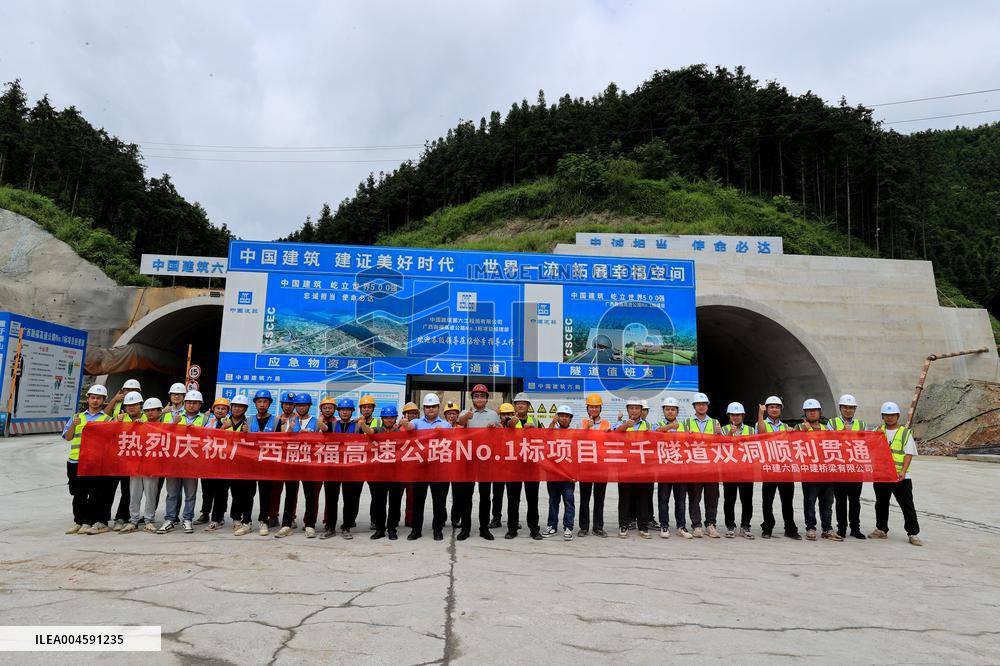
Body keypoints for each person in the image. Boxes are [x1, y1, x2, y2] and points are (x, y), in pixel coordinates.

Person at [62, 384, 113, 535]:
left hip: (95, 462)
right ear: (88, 399)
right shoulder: (77, 417)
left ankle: (89, 521)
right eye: (93, 398)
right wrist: (73, 426)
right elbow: (68, 437)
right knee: (78, 493)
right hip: (75, 461)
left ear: (104, 400)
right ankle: (79, 521)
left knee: (95, 493)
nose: (95, 401)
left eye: (99, 398)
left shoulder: (108, 419)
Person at [870, 402, 922, 546]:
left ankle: (913, 533)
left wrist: (903, 471)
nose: (889, 418)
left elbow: (908, 453)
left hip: (900, 476)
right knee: (881, 504)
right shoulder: (878, 431)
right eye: (886, 415)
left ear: (898, 416)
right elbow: (870, 449)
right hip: (882, 476)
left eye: (892, 415)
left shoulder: (905, 433)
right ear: (882, 417)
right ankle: (881, 529)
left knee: (907, 505)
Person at [453, 384, 500, 540]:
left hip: (486, 461)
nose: (479, 399)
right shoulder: (466, 413)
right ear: (472, 398)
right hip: (469, 461)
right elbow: (459, 422)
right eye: (476, 396)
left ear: (486, 399)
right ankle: (465, 528)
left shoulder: (493, 414)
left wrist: (495, 428)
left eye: (482, 396)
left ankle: (484, 528)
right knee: (466, 496)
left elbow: (502, 435)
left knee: (485, 496)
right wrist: (465, 418)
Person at [402, 393, 451, 541]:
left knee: (439, 502)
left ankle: (437, 529)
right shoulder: (417, 422)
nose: (431, 409)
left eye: (433, 407)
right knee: (418, 501)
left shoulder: (445, 425)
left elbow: (451, 442)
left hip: (438, 469)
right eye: (428, 407)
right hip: (420, 468)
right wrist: (405, 423)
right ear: (424, 408)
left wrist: (442, 433)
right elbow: (410, 427)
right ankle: (416, 530)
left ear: (438, 408)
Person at [158, 390, 206, 534]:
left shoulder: (205, 419)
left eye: (195, 403)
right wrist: (174, 423)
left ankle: (187, 519)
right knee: (172, 492)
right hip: (173, 461)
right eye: (189, 402)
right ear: (185, 404)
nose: (191, 405)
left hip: (192, 462)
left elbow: (210, 437)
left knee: (190, 493)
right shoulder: (174, 417)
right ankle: (170, 519)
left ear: (200, 405)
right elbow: (162, 434)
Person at [678, 392, 722, 538]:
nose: (701, 406)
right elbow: (681, 444)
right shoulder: (687, 423)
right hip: (694, 467)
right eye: (699, 404)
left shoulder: (715, 423)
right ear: (694, 406)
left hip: (711, 467)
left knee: (712, 498)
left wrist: (719, 435)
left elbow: (722, 445)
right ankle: (696, 525)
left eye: (704, 404)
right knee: (694, 497)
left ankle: (710, 524)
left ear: (707, 406)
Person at [798, 399, 842, 541]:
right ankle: (810, 528)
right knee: (810, 502)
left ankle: (827, 528)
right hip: (810, 472)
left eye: (815, 410)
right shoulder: (799, 428)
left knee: (827, 503)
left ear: (820, 412)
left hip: (827, 471)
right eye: (809, 411)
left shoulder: (826, 428)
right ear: (805, 413)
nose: (812, 412)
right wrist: (803, 432)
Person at [757, 396, 801, 540]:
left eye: (777, 407)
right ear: (767, 409)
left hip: (785, 468)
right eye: (771, 407)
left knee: (787, 501)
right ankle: (767, 527)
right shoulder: (762, 423)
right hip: (769, 467)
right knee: (767, 501)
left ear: (781, 409)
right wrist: (760, 414)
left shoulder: (785, 427)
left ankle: (790, 528)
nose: (774, 409)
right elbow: (762, 433)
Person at [276, 393, 319, 539]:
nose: (301, 407)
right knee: (290, 494)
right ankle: (286, 524)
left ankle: (310, 525)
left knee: (310, 496)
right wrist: (289, 430)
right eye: (299, 405)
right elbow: (282, 439)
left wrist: (311, 434)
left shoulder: (315, 421)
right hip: (293, 462)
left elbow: (323, 439)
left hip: (309, 464)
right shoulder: (290, 421)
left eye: (304, 405)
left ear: (309, 406)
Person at [503, 393, 543, 541]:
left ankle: (534, 529)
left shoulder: (536, 421)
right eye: (518, 403)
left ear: (528, 406)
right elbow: (507, 427)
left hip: (531, 465)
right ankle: (512, 529)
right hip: (514, 466)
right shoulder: (509, 419)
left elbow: (544, 438)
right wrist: (511, 423)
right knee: (513, 500)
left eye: (523, 403)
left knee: (533, 500)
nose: (520, 405)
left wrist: (534, 429)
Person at [828, 394, 867, 539]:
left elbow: (866, 443)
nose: (848, 410)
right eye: (845, 407)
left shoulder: (861, 425)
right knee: (840, 501)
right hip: (839, 468)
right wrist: (844, 432)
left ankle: (855, 528)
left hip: (856, 469)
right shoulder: (832, 423)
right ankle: (842, 528)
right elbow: (830, 441)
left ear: (855, 409)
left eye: (851, 408)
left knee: (855, 501)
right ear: (840, 408)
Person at [123, 398, 164, 533]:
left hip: (153, 466)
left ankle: (149, 520)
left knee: (151, 493)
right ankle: (133, 520)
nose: (150, 413)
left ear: (160, 411)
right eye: (147, 410)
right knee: (134, 493)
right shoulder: (140, 424)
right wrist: (136, 426)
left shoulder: (166, 427)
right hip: (137, 465)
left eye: (153, 410)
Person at [104, 379, 142, 530]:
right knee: (109, 489)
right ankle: (103, 517)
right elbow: (105, 424)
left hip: (132, 459)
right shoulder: (118, 411)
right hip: (115, 458)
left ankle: (122, 517)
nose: (129, 393)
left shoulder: (144, 414)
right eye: (126, 389)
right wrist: (116, 421)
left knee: (128, 490)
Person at [320, 397, 360, 540]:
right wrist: (320, 421)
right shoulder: (332, 425)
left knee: (349, 499)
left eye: (347, 410)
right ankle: (330, 527)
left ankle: (346, 527)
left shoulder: (357, 427)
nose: (344, 412)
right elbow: (323, 429)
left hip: (350, 468)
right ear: (339, 411)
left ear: (352, 411)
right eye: (342, 409)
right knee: (331, 499)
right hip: (333, 468)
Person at [240, 389, 275, 537]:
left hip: (267, 464)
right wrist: (244, 433)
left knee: (265, 494)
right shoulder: (247, 420)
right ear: (255, 403)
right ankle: (246, 522)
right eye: (259, 401)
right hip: (250, 464)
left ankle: (263, 521)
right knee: (247, 494)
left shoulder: (277, 421)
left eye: (265, 401)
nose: (262, 404)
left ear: (269, 403)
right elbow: (240, 443)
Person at [616, 396, 652, 539]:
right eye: (631, 408)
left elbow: (659, 435)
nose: (634, 410)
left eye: (637, 408)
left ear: (641, 410)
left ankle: (643, 526)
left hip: (643, 468)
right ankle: (624, 525)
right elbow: (613, 434)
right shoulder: (622, 424)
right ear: (627, 410)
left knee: (643, 497)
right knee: (624, 497)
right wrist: (625, 426)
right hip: (625, 467)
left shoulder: (648, 426)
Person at [655, 396, 691, 539]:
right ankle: (664, 525)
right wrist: (670, 427)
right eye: (667, 409)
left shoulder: (684, 426)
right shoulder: (657, 424)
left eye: (673, 409)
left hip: (681, 469)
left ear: (677, 411)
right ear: (663, 411)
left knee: (681, 500)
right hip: (664, 469)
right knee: (663, 499)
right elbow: (655, 433)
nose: (670, 412)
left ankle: (681, 526)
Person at [368, 406, 404, 540]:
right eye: (386, 417)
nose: (389, 420)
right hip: (379, 473)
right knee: (379, 502)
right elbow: (368, 432)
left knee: (395, 502)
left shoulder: (401, 431)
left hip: (396, 473)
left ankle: (392, 528)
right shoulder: (377, 430)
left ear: (395, 418)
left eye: (391, 417)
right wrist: (362, 425)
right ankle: (380, 529)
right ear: (382, 418)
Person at [721, 402, 755, 539]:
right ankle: (730, 526)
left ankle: (745, 526)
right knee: (729, 499)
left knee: (747, 500)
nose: (735, 417)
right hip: (729, 470)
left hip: (746, 470)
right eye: (733, 415)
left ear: (743, 416)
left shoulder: (751, 430)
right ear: (729, 416)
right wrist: (730, 433)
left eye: (738, 415)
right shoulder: (723, 430)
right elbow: (720, 446)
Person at [578, 393, 609, 538]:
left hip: (601, 466)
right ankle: (583, 527)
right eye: (591, 407)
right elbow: (575, 440)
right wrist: (586, 429)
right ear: (587, 408)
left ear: (600, 408)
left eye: (596, 407)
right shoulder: (581, 423)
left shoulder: (606, 424)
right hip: (586, 465)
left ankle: (598, 527)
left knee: (599, 498)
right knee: (584, 498)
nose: (594, 409)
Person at [199, 396, 233, 529]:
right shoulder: (208, 421)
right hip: (208, 462)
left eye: (223, 408)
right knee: (207, 490)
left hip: (224, 463)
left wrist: (224, 428)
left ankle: (219, 516)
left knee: (222, 491)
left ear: (227, 411)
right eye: (217, 408)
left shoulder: (231, 423)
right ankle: (205, 513)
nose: (220, 411)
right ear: (213, 409)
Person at [543, 405, 576, 540]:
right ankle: (552, 525)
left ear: (570, 419)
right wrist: (552, 423)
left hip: (568, 475)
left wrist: (575, 474)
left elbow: (576, 455)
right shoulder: (552, 430)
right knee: (553, 501)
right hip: (553, 473)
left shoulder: (574, 433)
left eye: (567, 416)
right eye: (561, 416)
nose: (564, 418)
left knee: (569, 501)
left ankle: (568, 527)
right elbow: (544, 438)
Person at [269, 391, 300, 531]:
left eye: (291, 404)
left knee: (292, 491)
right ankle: (273, 516)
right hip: (277, 460)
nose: (288, 407)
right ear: (281, 404)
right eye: (286, 404)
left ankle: (291, 517)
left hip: (294, 460)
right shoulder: (275, 419)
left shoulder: (299, 419)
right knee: (275, 490)